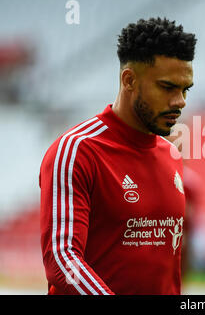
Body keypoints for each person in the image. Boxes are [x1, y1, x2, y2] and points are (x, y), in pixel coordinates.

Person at [39, 17, 196, 295]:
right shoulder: (77, 150)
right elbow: (62, 260)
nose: (180, 101)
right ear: (129, 80)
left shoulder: (171, 155)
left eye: (185, 90)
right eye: (167, 87)